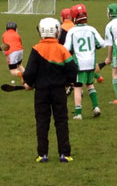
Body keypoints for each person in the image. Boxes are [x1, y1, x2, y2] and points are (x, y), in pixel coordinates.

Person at [22, 17, 78, 163]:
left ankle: (42, 154)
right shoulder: (62, 49)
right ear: (57, 31)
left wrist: (28, 83)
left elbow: (29, 73)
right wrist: (67, 81)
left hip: (41, 92)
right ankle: (64, 154)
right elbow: (72, 70)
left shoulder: (36, 49)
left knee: (42, 122)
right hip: (59, 91)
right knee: (61, 121)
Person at [64, 4, 104, 120]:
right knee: (90, 84)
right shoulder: (91, 29)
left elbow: (66, 48)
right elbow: (101, 43)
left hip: (79, 63)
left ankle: (78, 113)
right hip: (91, 62)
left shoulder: (72, 31)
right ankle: (96, 107)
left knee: (77, 87)